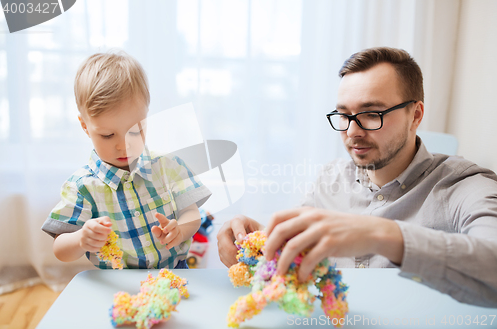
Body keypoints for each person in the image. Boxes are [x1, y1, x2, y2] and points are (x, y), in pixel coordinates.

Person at [218, 47, 497, 307]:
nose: (352, 132)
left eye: (371, 114)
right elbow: (298, 255)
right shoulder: (331, 179)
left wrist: (380, 235)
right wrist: (261, 244)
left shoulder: (463, 185)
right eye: (344, 115)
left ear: (416, 115)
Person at [42, 52, 211, 269]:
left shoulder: (168, 166)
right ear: (85, 126)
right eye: (107, 135)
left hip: (174, 273)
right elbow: (60, 249)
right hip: (118, 282)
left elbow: (191, 212)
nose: (124, 145)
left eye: (135, 130)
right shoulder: (82, 187)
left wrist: (181, 229)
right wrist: (81, 239)